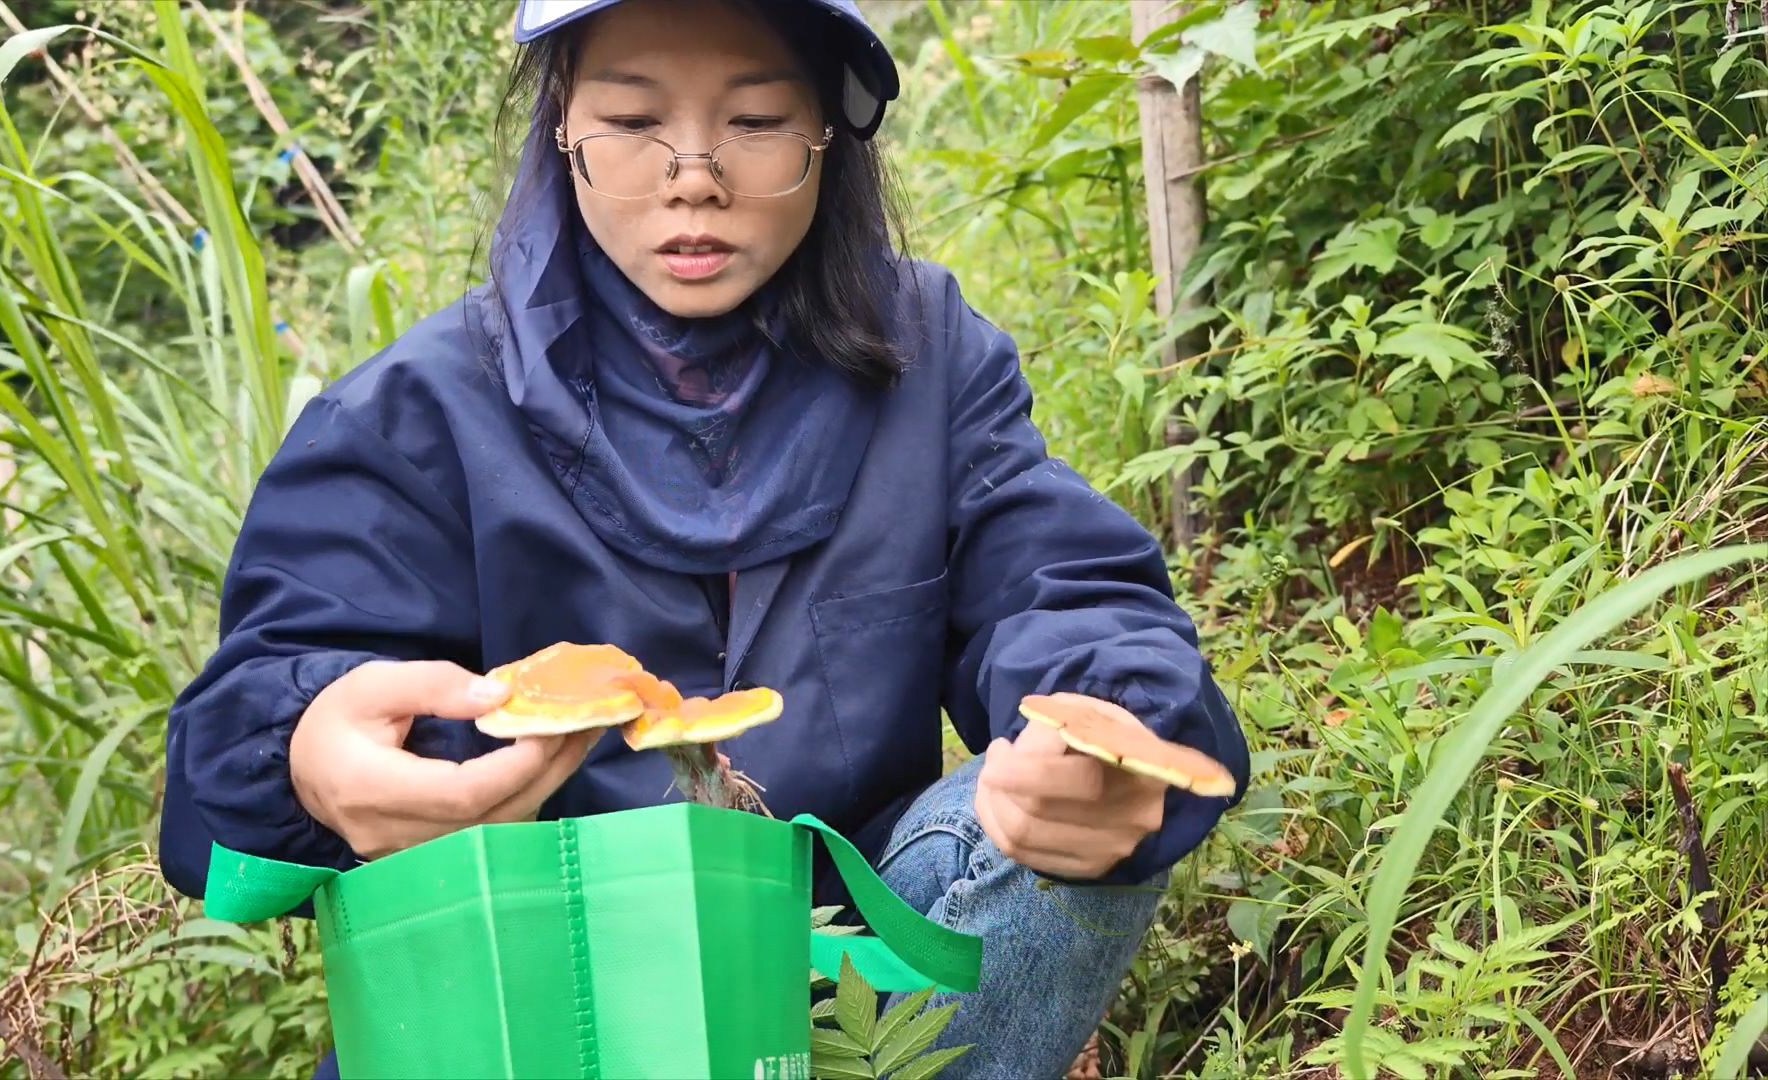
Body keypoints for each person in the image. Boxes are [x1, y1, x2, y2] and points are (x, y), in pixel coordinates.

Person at [157, 0, 1250, 1076]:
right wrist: (306, 752)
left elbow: (1059, 586)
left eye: (758, 120)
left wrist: (1111, 725)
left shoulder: (932, 358)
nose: (694, 175)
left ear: (831, 133)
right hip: (536, 1008)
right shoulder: (418, 414)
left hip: (856, 977)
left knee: (1059, 809)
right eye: (633, 124)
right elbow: (261, 702)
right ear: (561, 129)